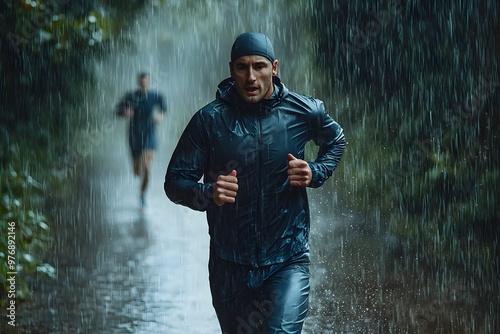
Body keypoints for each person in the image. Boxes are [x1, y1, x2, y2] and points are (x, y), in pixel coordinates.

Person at [165, 32, 345, 333]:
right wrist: (209, 193)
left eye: (259, 66)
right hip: (229, 265)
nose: (251, 76)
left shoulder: (304, 111)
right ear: (231, 69)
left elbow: (336, 141)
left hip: (287, 259)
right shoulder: (209, 121)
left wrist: (316, 171)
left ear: (274, 68)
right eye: (242, 67)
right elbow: (174, 182)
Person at [116, 72, 167, 209]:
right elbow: (118, 110)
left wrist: (160, 115)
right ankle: (139, 171)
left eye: (146, 82)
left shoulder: (154, 95)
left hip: (150, 135)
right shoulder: (132, 96)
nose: (144, 84)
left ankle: (143, 196)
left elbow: (163, 107)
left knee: (147, 167)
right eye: (141, 82)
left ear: (149, 82)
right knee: (137, 171)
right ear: (138, 82)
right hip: (134, 136)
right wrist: (126, 112)